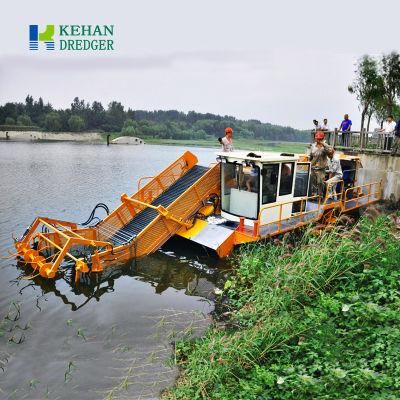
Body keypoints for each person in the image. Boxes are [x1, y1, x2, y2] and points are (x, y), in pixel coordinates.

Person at [309, 131, 333, 197]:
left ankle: (320, 196)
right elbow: (310, 156)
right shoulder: (313, 146)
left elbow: (330, 154)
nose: (318, 140)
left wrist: (324, 145)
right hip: (313, 168)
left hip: (321, 169)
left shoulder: (325, 147)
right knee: (313, 182)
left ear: (322, 139)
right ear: (315, 138)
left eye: (320, 139)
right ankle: (313, 195)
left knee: (320, 182)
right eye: (317, 139)